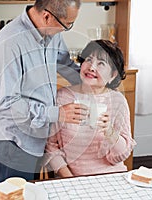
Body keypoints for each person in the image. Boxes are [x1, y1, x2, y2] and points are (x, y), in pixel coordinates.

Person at [0, 0, 88, 183]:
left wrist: (91, 82)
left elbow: (64, 64)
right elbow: (6, 104)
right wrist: (57, 113)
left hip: (36, 138)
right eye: (67, 25)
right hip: (14, 143)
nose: (67, 29)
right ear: (47, 16)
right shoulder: (9, 43)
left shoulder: (51, 32)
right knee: (17, 195)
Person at [43, 40, 137, 177]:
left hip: (111, 177)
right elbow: (51, 147)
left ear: (113, 75)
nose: (91, 67)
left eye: (101, 63)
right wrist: (71, 179)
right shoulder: (63, 97)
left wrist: (110, 133)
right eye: (88, 59)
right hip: (72, 179)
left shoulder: (118, 101)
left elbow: (121, 155)